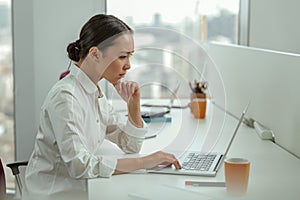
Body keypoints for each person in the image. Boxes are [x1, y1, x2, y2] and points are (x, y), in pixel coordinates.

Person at [22, 14, 181, 200]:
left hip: (82, 188)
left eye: (130, 56)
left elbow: (130, 145)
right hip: (55, 194)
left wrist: (133, 107)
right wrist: (144, 162)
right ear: (95, 54)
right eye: (122, 57)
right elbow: (79, 166)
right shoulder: (66, 98)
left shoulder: (94, 91)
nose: (128, 66)